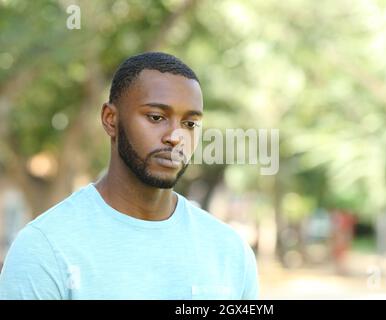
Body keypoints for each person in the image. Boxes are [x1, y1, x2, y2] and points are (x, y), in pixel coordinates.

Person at [0, 52, 259, 300]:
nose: (175, 137)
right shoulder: (45, 248)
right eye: (156, 117)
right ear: (111, 120)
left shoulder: (229, 252)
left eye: (189, 124)